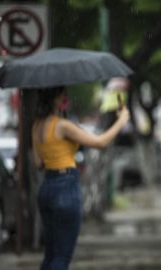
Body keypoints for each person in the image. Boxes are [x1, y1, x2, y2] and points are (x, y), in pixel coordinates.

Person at [31, 87, 130, 270]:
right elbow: (100, 143)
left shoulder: (37, 125)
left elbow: (39, 163)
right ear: (54, 99)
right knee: (62, 256)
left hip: (47, 188)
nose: (65, 98)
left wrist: (56, 150)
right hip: (65, 187)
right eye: (61, 95)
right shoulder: (62, 125)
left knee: (51, 254)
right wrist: (121, 121)